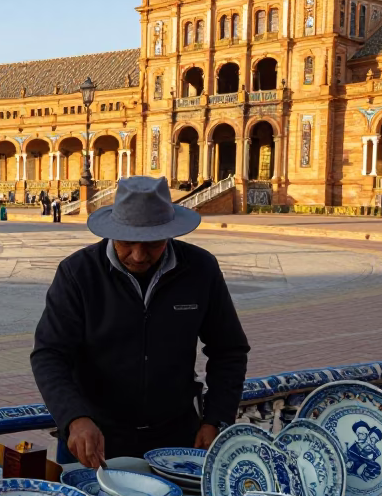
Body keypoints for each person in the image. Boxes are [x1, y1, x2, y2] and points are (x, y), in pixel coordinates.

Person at [30, 176, 249, 468]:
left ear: (170, 234)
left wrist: (215, 418)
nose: (138, 255)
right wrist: (74, 418)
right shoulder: (78, 273)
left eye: (152, 244)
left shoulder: (200, 268)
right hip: (95, 438)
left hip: (176, 437)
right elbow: (49, 354)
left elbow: (229, 349)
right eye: (127, 242)